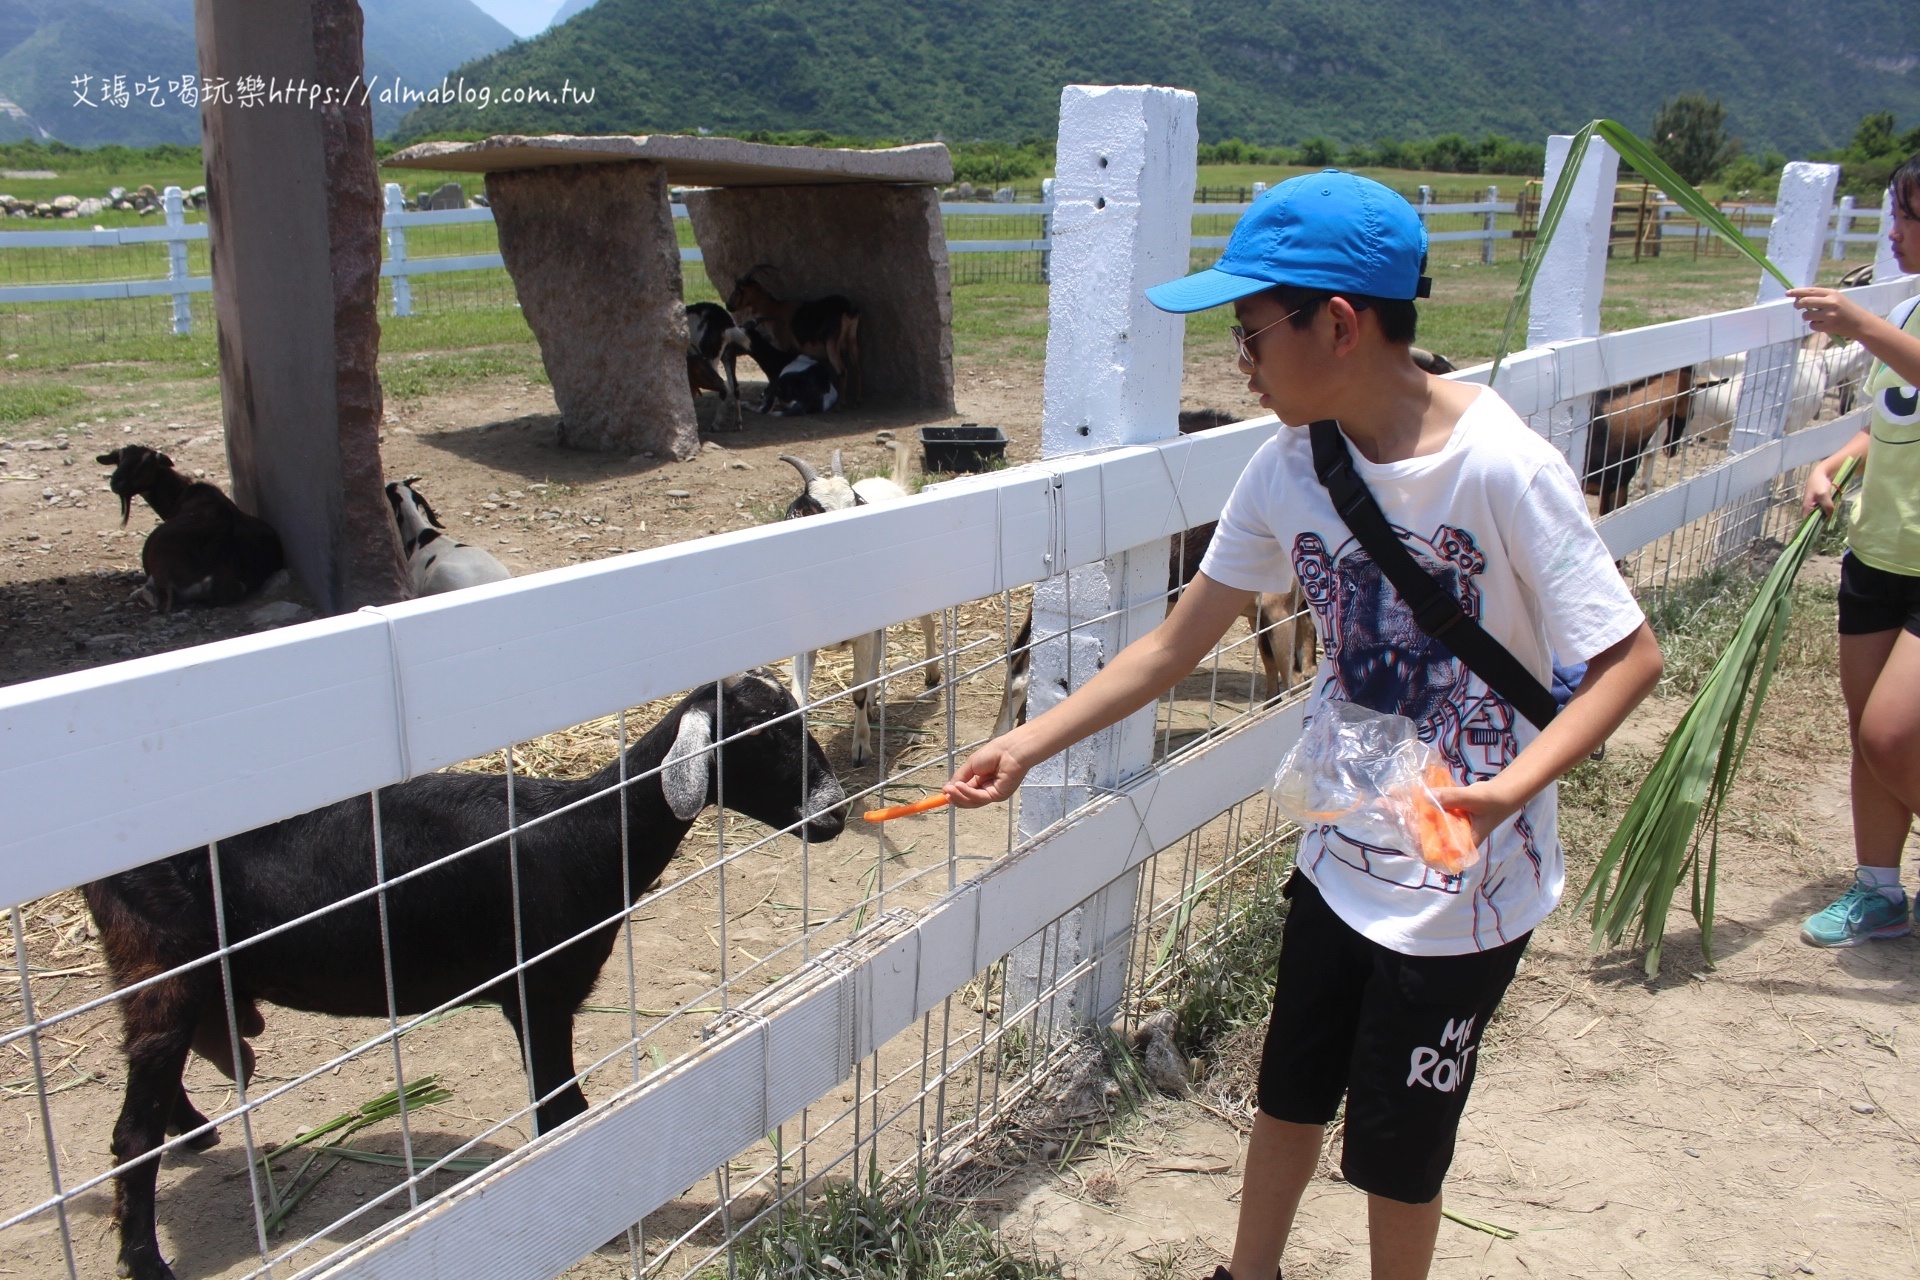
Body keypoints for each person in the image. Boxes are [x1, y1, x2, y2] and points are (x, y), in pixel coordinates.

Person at [941, 171, 1664, 1280]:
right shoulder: (1288, 466)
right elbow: (1172, 648)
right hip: (1341, 851)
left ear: (1339, 324)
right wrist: (1028, 740)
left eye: (1251, 328)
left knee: (1398, 1146)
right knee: (1290, 1085)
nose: (1239, 356)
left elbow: (1629, 658)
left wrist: (1511, 790)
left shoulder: (1506, 469)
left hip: (1468, 874)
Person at [1790, 153, 1920, 948]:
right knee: (1865, 730)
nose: (1896, 232)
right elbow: (1890, 417)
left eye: (1909, 217)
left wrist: (1858, 323)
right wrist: (1834, 460)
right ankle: (1880, 890)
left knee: (1890, 736)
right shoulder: (1907, 311)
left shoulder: (1889, 320)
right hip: (1879, 549)